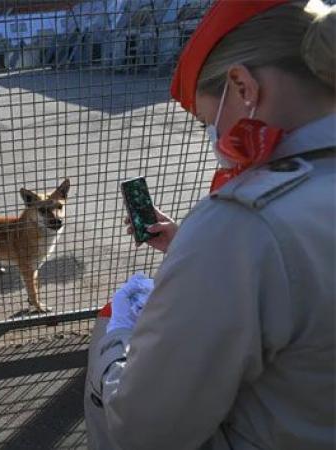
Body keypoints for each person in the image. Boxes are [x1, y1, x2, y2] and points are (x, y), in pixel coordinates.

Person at [85, 0, 335, 449]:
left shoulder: (242, 226)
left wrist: (116, 337)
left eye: (207, 121)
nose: (213, 138)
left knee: (113, 324)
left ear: (242, 86)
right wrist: (188, 246)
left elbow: (144, 431)